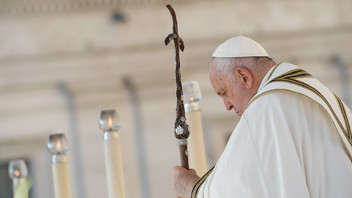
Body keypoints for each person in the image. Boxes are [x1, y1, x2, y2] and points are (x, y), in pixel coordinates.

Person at [173, 36, 352, 198]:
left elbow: (242, 187)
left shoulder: (266, 106)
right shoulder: (312, 90)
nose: (227, 105)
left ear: (244, 77)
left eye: (225, 92)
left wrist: (195, 190)